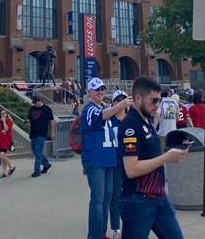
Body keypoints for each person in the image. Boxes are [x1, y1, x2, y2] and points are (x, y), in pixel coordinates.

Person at [119, 77, 189, 238]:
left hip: (158, 197)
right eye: (154, 100)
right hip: (138, 200)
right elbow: (131, 169)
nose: (157, 105)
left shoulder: (147, 121)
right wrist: (166, 158)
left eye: (159, 100)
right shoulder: (130, 125)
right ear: (138, 98)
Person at [81, 78, 133, 239]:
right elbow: (101, 116)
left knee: (107, 197)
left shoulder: (105, 108)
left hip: (109, 159)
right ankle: (95, 235)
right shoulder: (89, 109)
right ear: (89, 91)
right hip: (96, 159)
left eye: (102, 89)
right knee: (98, 198)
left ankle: (102, 232)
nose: (100, 92)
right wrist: (121, 105)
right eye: (97, 89)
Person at [109, 90, 129, 239]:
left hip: (131, 162)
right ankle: (116, 227)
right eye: (118, 100)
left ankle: (132, 225)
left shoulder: (131, 119)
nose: (121, 103)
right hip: (115, 162)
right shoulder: (109, 120)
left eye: (123, 100)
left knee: (131, 194)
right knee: (116, 195)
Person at [26, 95, 55, 177]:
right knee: (34, 150)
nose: (35, 104)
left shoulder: (47, 109)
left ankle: (37, 170)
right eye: (34, 103)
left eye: (36, 102)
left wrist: (52, 132)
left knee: (38, 150)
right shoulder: (32, 109)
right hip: (33, 132)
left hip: (42, 132)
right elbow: (29, 118)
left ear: (40, 101)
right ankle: (46, 163)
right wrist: (27, 122)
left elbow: (52, 121)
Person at [0, 109, 16, 178]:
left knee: (1, 155)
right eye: (1, 113)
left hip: (7, 140)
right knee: (2, 158)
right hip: (0, 141)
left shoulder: (9, 121)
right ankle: (4, 172)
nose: (3, 115)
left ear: (7, 114)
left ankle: (11, 167)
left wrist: (4, 121)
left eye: (4, 113)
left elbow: (6, 129)